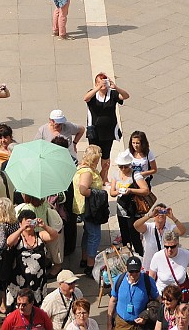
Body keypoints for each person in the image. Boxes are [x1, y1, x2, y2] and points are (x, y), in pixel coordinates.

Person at [84, 72, 129, 178]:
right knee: (93, 155)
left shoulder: (112, 94)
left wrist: (116, 87)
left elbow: (125, 96)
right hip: (95, 131)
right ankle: (90, 177)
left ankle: (104, 177)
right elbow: (86, 98)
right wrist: (97, 88)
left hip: (108, 131)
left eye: (105, 82)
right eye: (100, 82)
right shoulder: (93, 94)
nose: (103, 85)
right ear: (96, 84)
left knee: (106, 156)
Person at [72, 145, 104, 277]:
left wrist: (105, 170)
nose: (97, 163)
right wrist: (97, 194)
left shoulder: (84, 168)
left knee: (88, 233)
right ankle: (90, 265)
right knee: (95, 236)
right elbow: (83, 190)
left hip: (85, 208)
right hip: (90, 209)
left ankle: (85, 259)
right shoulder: (87, 172)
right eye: (96, 160)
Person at [108, 255, 159, 330]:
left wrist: (146, 316)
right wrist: (109, 323)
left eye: (136, 271)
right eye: (131, 271)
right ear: (126, 269)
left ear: (140, 269)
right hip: (122, 324)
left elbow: (158, 301)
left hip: (140, 325)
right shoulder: (119, 279)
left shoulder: (148, 281)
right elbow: (113, 300)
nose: (134, 274)